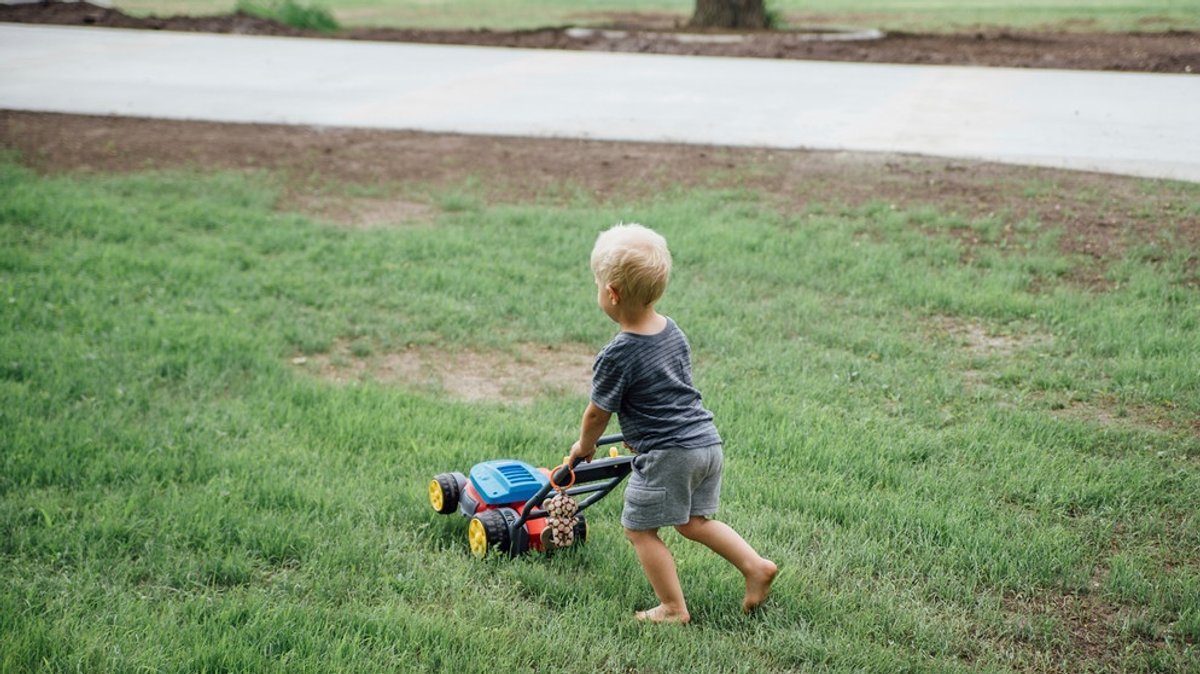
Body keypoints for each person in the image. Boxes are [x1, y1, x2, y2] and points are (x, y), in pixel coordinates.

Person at [568, 223, 777, 624]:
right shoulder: (672, 330)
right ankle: (755, 566)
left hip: (670, 454)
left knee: (639, 531)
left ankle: (672, 608)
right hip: (705, 443)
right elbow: (664, 392)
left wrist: (584, 447)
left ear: (611, 293)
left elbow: (597, 412)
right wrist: (640, 433)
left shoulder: (617, 354)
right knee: (693, 523)